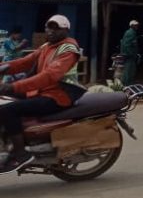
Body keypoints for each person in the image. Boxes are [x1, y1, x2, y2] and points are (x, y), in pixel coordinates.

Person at [0, 14, 83, 174]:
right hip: (43, 91)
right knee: (5, 100)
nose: (50, 31)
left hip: (59, 95)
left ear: (65, 30)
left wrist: (13, 86)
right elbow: (24, 62)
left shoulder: (68, 49)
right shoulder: (47, 46)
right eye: (48, 27)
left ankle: (20, 153)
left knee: (9, 110)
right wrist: (3, 66)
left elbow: (49, 76)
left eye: (55, 28)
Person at [119, 20, 140, 85]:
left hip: (130, 55)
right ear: (132, 26)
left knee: (130, 69)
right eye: (136, 25)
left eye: (137, 25)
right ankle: (127, 83)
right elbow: (126, 44)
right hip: (129, 55)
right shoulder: (130, 33)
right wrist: (130, 53)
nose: (137, 26)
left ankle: (128, 83)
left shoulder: (132, 32)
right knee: (129, 70)